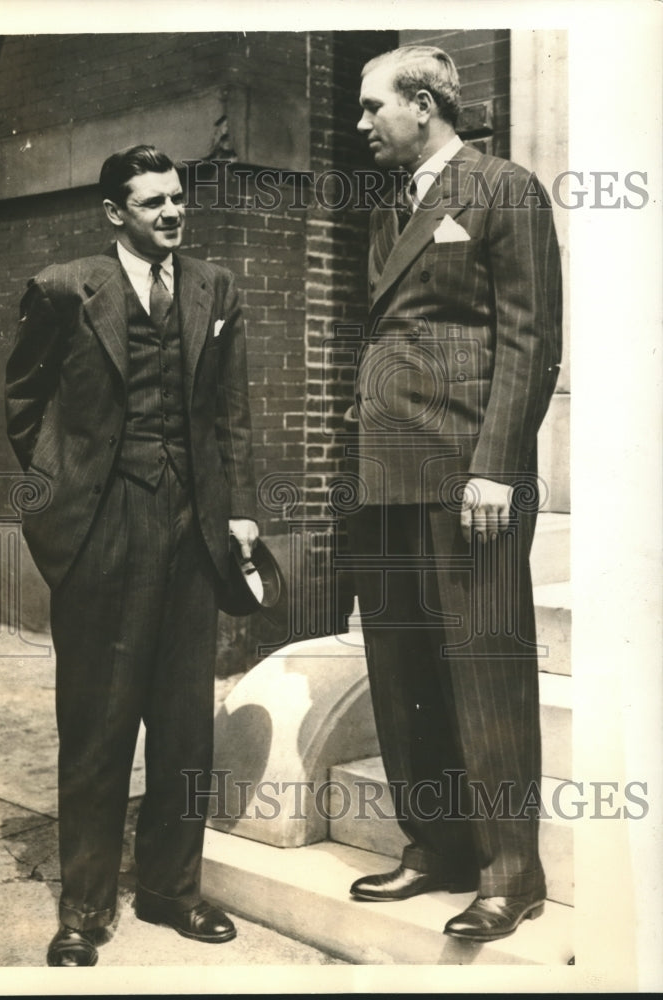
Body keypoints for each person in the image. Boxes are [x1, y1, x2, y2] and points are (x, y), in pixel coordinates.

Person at [5, 145, 259, 966]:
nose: (171, 213)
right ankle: (83, 907)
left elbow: (231, 414)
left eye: (177, 198)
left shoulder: (215, 288)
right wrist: (60, 496)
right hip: (101, 527)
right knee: (98, 725)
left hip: (192, 528)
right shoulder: (64, 287)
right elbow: (24, 401)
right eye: (151, 203)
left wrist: (241, 514)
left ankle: (170, 892)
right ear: (114, 212)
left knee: (185, 725)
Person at [345, 45, 562, 942]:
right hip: (389, 474)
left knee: (486, 671)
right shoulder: (390, 209)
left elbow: (529, 341)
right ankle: (434, 845)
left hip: (468, 476)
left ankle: (513, 872)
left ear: (425, 104)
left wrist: (495, 466)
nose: (361, 126)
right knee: (402, 672)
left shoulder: (503, 188)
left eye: (372, 108)